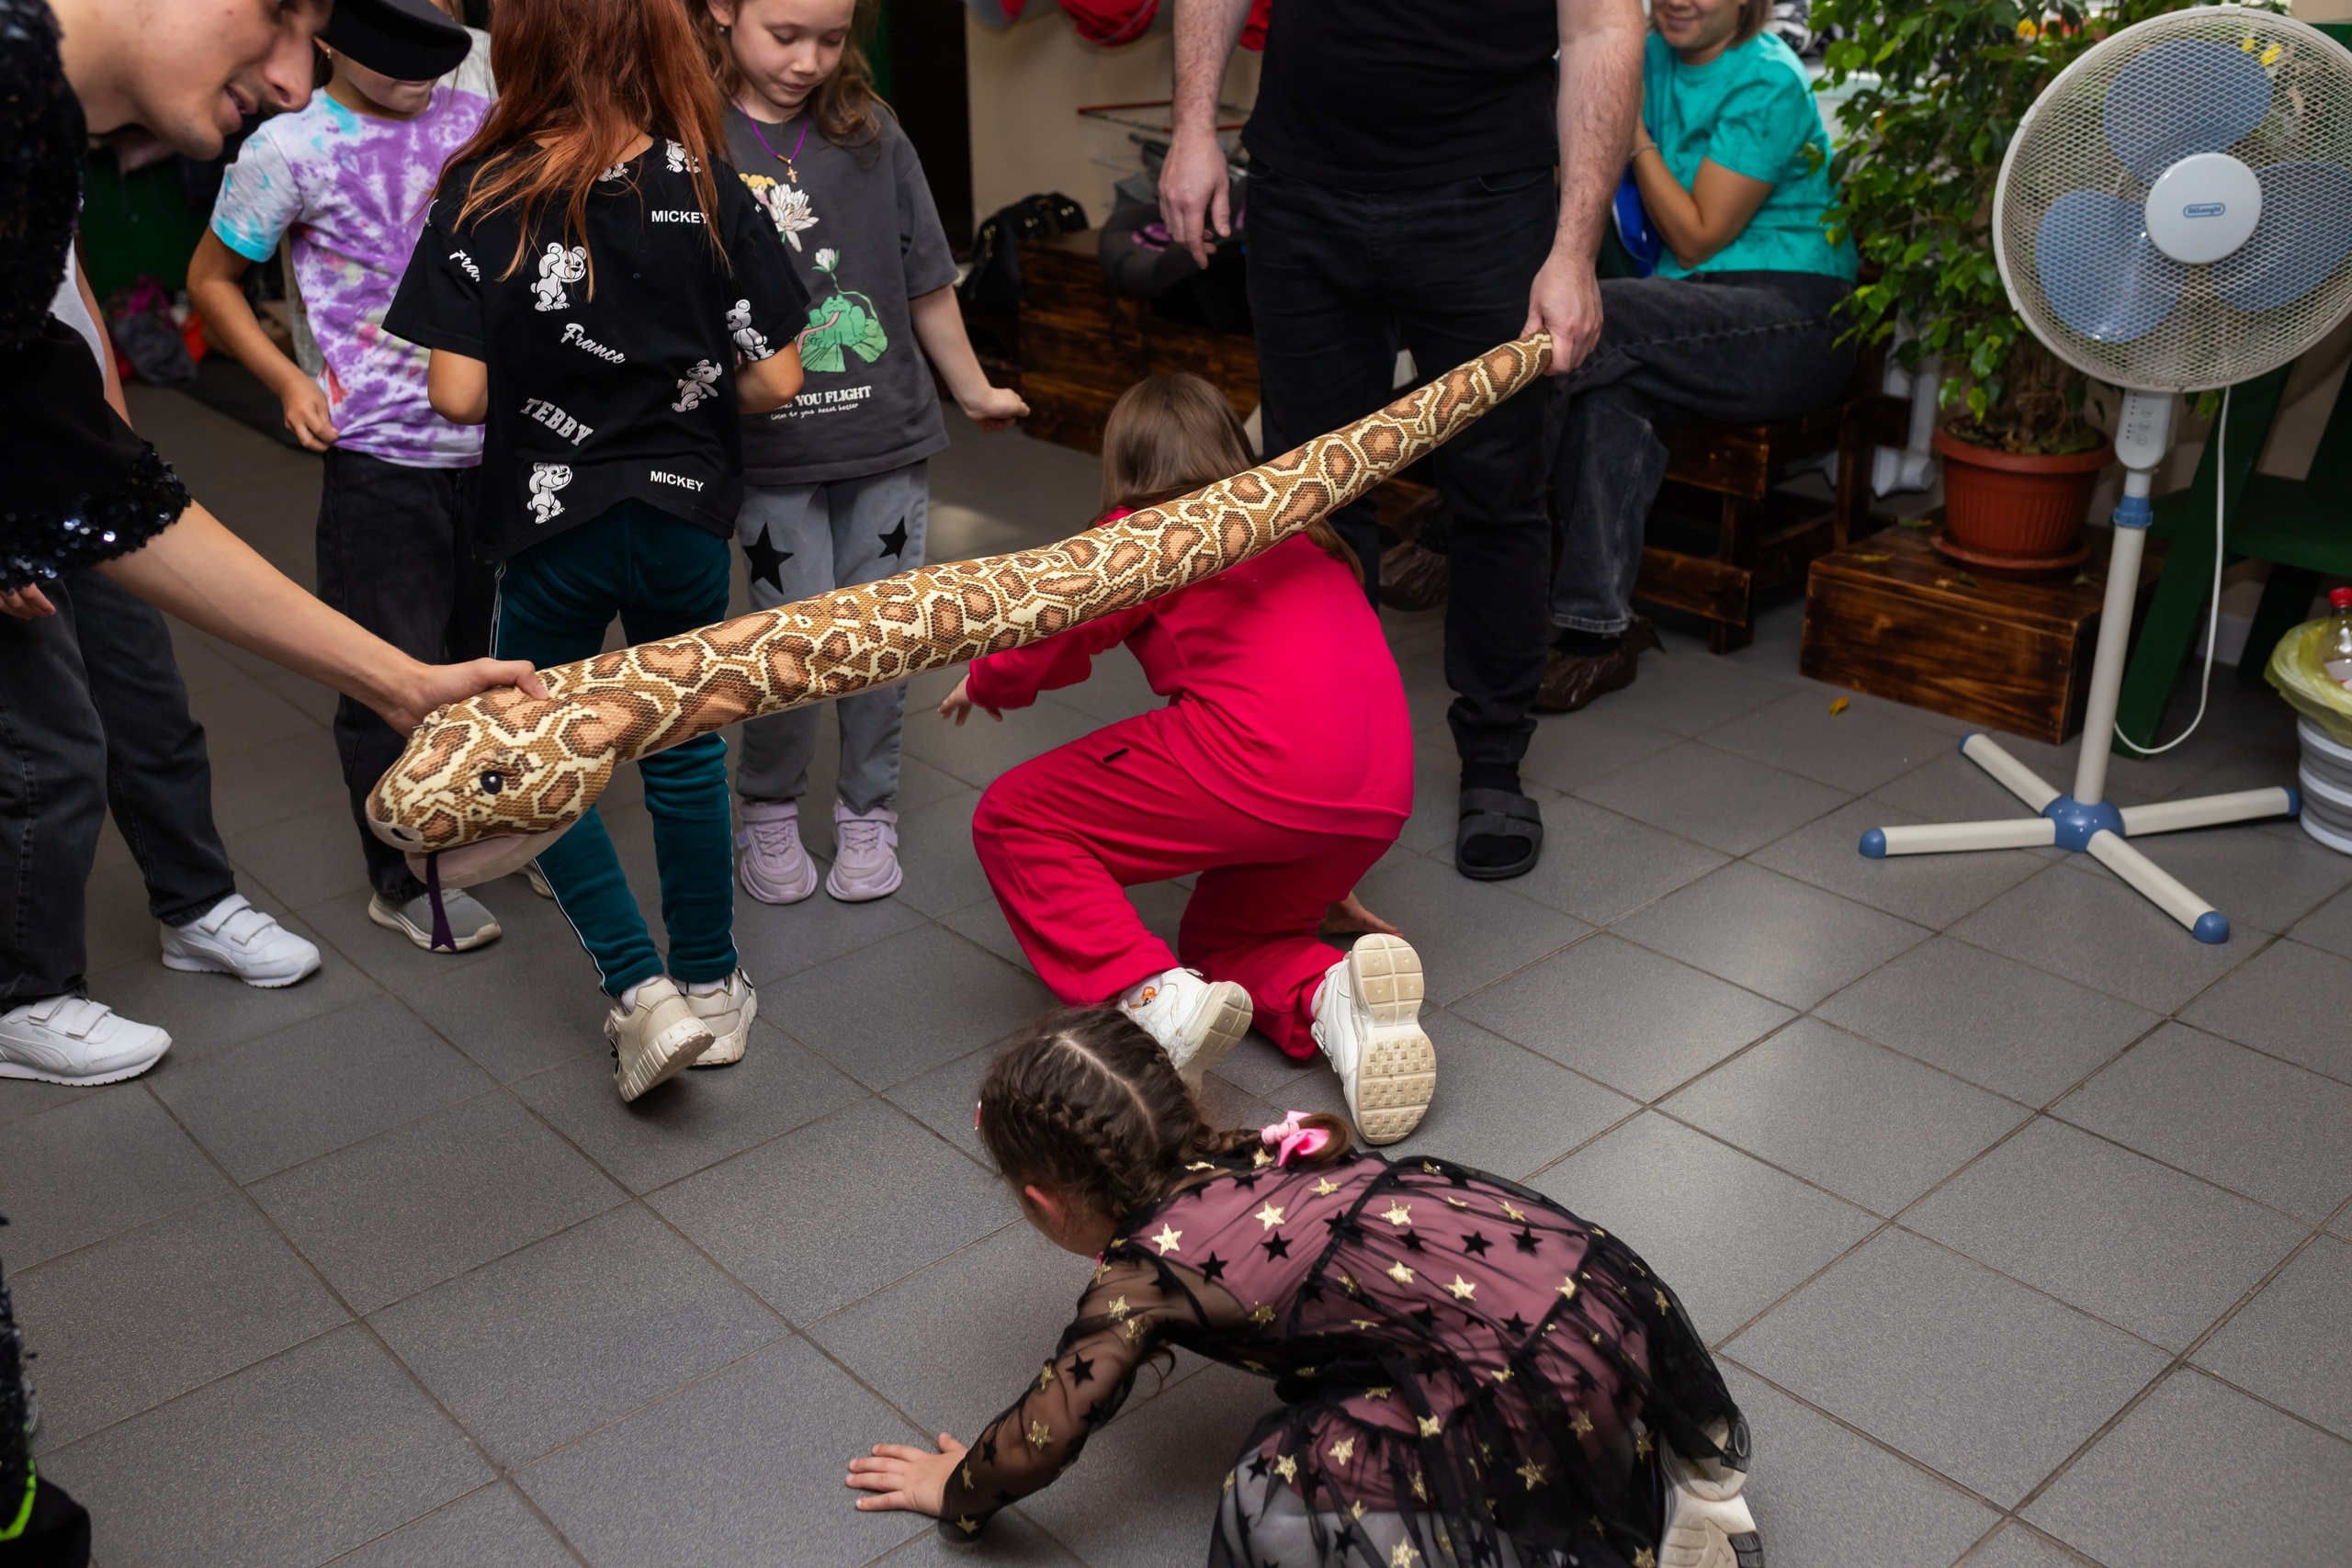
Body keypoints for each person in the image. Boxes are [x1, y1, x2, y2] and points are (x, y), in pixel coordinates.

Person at [0, 0, 547, 1088]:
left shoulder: (43, 137)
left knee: (147, 705)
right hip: (374, 459)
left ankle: (195, 903)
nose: (295, 79)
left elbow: (102, 486)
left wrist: (398, 682)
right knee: (51, 750)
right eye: (278, 13)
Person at [842, 1010, 1767, 1568]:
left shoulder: (1142, 1274)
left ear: (1044, 1204)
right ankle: (1693, 1476)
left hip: (1509, 1391)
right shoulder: (1260, 1148)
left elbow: (1050, 1427)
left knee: (1281, 1488)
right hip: (1592, 1289)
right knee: (1491, 1336)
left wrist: (956, 1489)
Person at [383, 0, 810, 1100]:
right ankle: (714, 987)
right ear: (660, 43)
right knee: (682, 747)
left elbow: (455, 392)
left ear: (520, 48)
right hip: (680, 517)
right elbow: (774, 380)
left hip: (549, 520)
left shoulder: (482, 188)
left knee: (539, 755)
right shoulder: (710, 183)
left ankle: (641, 994)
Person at [1160, 0, 1645, 886]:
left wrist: (1574, 250)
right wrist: (1193, 125)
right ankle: (1330, 754)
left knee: (1497, 493)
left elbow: (1602, 33)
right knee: (1312, 500)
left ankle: (1495, 762)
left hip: (1489, 201)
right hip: (1303, 189)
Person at [943, 376, 1432, 1145]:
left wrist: (986, 678)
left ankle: (1153, 1000)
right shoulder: (1300, 517)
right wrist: (1329, 862)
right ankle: (1340, 1000)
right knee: (1231, 945)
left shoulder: (1150, 529)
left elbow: (1058, 619)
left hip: (1261, 765)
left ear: (1126, 465)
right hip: (1380, 794)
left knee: (1015, 817)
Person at [188, 0, 511, 953]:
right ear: (326, 36)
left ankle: (491, 822)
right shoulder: (289, 149)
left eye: (432, 58)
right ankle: (404, 876)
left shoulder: (478, 119)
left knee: (491, 655)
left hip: (498, 447)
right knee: (390, 673)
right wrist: (287, 375)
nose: (416, 80)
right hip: (379, 456)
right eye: (391, 62)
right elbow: (211, 278)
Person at [697, 0, 1028, 907]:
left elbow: (925, 280)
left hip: (883, 436)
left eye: (831, 39)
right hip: (770, 451)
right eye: (785, 36)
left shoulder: (872, 132)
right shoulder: (691, 132)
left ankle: (867, 808)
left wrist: (970, 387)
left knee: (880, 638)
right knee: (791, 640)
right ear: (723, 12)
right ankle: (766, 808)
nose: (808, 61)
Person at [1538, 0, 1857, 712]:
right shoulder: (1641, 52)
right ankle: (1597, 635)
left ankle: (1462, 523)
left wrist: (1629, 132)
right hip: (1691, 313)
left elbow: (1694, 238)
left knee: (1600, 315)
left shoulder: (1768, 78)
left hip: (1793, 317)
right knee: (1606, 388)